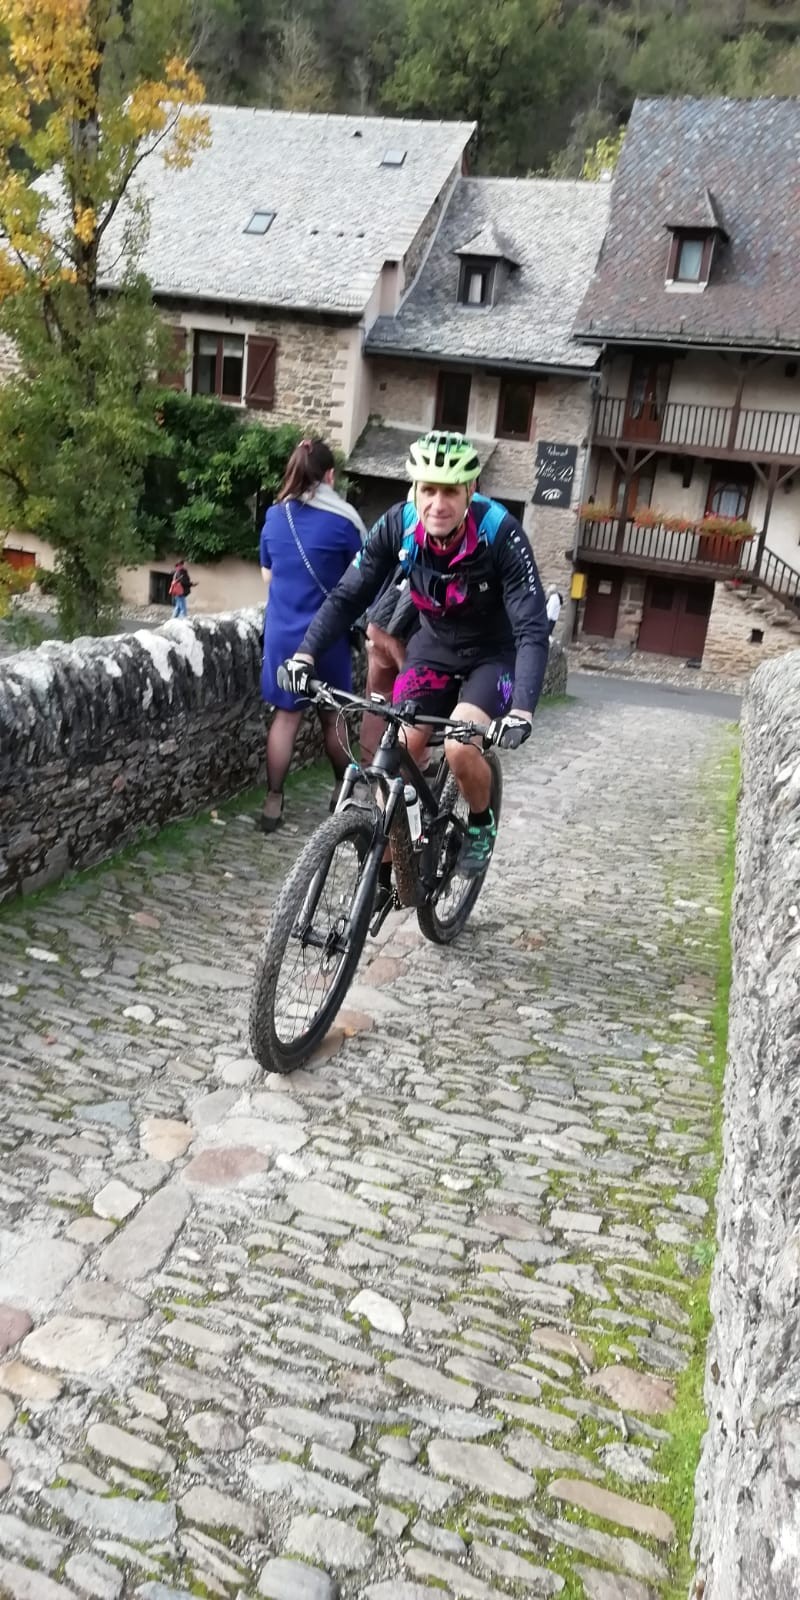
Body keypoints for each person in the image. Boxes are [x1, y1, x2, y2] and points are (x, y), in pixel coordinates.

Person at [281, 430, 549, 878]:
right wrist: (305, 655)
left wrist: (522, 709)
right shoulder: (399, 525)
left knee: (461, 747)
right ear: (415, 490)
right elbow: (348, 595)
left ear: (471, 491)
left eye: (450, 492)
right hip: (434, 647)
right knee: (396, 752)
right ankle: (389, 870)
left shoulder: (500, 533)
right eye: (428, 490)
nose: (437, 504)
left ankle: (480, 823)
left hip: (492, 655)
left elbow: (531, 627)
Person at [258, 437, 366, 834]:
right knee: (333, 717)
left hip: (283, 635)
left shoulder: (274, 516)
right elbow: (363, 577)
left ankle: (273, 802)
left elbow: (268, 576)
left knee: (286, 717)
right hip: (327, 636)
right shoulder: (345, 521)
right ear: (330, 476)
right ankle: (342, 791)